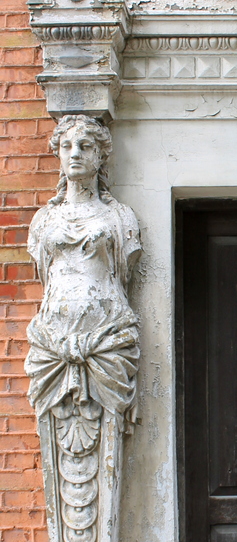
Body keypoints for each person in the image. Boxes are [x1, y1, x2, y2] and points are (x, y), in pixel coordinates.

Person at [25, 115, 141, 429]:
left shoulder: (120, 217)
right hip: (54, 340)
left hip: (106, 337)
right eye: (67, 146)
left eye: (85, 146)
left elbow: (125, 268)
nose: (75, 153)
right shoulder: (44, 219)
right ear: (58, 154)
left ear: (100, 155)